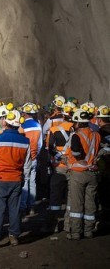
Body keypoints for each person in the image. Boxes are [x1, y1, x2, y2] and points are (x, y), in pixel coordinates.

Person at [0, 110, 31, 249]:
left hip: (0, 180)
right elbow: (27, 165)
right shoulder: (26, 141)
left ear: (5, 122)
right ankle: (14, 236)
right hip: (16, 180)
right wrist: (24, 179)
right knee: (14, 210)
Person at [66, 109, 101, 240]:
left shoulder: (76, 135)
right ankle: (89, 231)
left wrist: (80, 159)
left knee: (77, 204)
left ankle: (76, 232)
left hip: (78, 173)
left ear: (79, 123)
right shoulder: (96, 135)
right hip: (92, 173)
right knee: (90, 203)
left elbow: (75, 152)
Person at [45, 102, 75, 233]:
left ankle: (55, 224)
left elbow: (50, 148)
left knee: (55, 196)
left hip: (58, 167)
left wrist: (59, 158)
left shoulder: (54, 129)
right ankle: (69, 224)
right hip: (73, 167)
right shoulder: (78, 130)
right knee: (71, 197)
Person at [19, 103, 42, 217]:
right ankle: (32, 206)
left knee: (24, 182)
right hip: (34, 157)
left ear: (24, 113)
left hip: (25, 158)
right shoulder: (38, 125)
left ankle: (23, 207)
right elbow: (40, 144)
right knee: (32, 182)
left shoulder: (22, 126)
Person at [95, 105, 110, 225]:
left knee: (104, 193)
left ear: (99, 120)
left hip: (104, 168)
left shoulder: (100, 133)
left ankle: (106, 218)